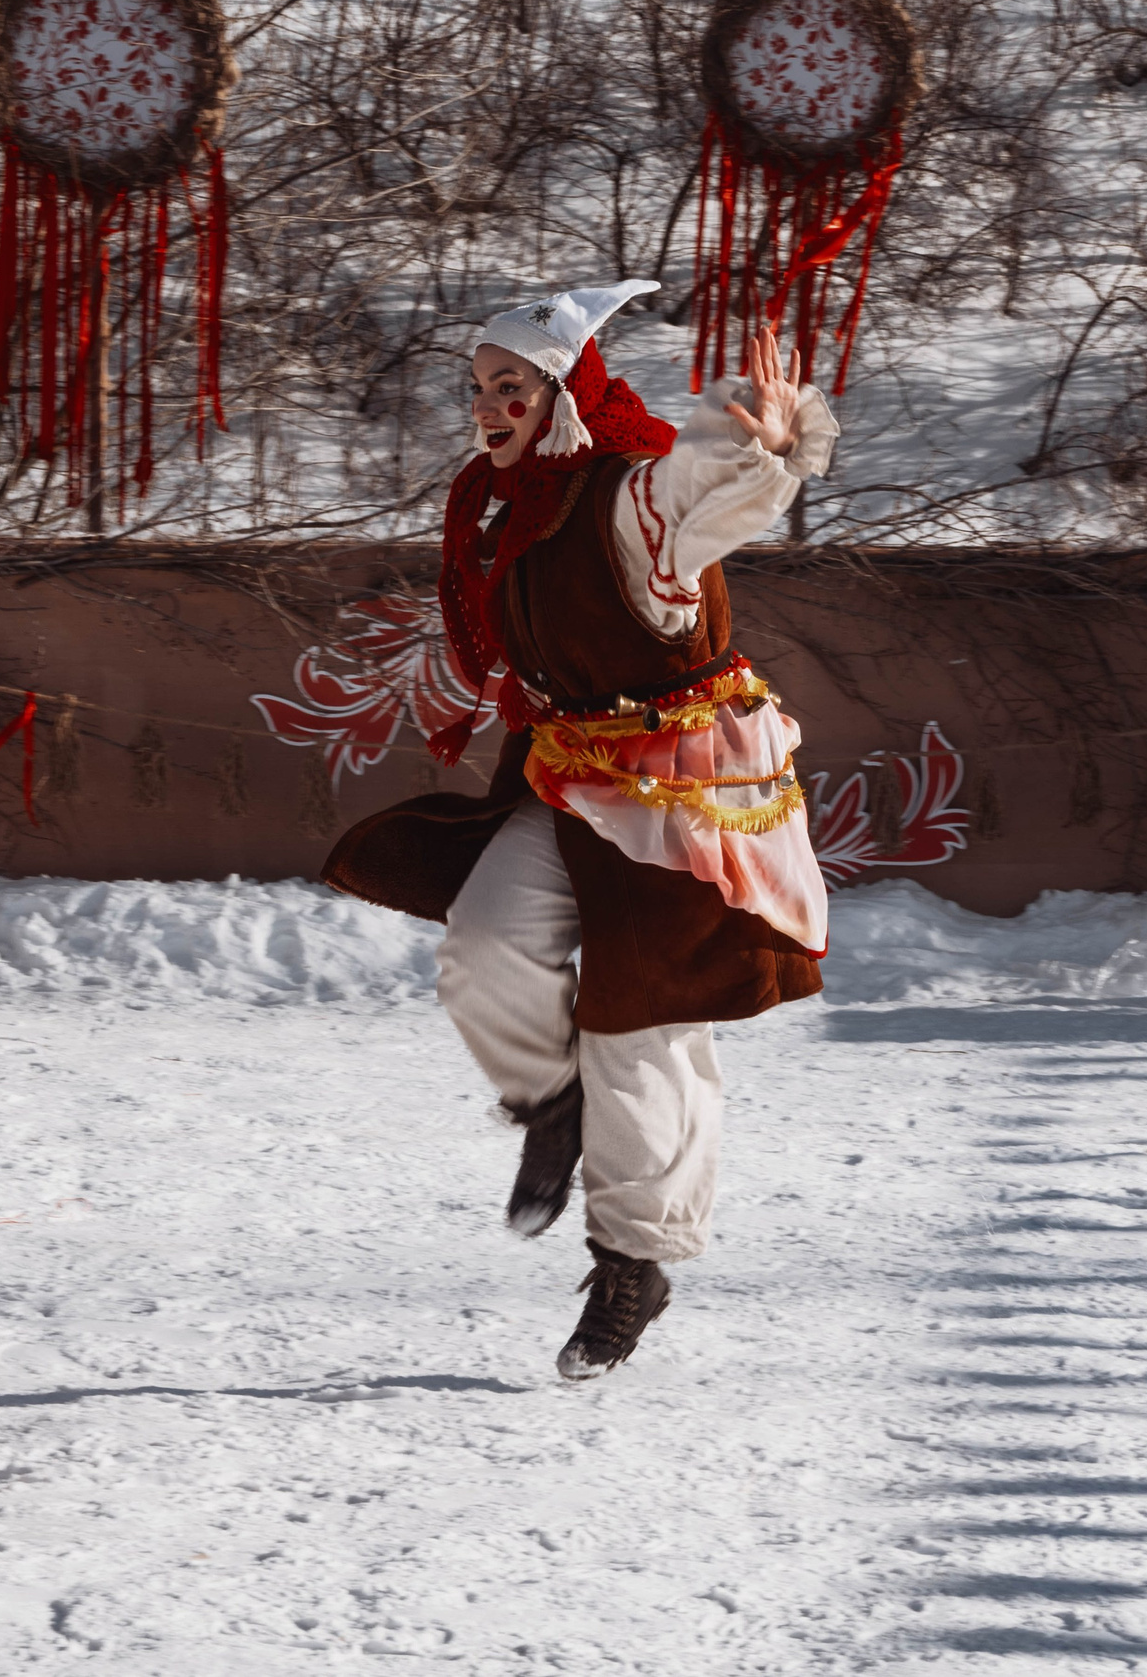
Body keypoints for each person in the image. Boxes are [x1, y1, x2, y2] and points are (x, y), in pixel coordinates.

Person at [322, 282, 836, 1380]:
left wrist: (759, 443)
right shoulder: (515, 504)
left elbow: (694, 489)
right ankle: (549, 1103)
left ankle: (632, 1264)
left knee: (640, 1029)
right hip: (570, 768)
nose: (486, 405)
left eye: (509, 384)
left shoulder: (622, 492)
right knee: (487, 943)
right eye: (477, 386)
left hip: (685, 791)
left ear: (562, 390)